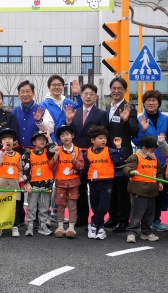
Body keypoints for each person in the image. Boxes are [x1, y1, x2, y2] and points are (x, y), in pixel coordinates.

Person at [63, 83, 108, 229]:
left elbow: (103, 134)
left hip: (95, 156)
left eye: (91, 94)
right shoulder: (74, 112)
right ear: (81, 96)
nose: (88, 96)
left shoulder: (101, 114)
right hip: (77, 156)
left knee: (95, 188)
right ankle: (82, 217)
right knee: (79, 187)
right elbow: (68, 132)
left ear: (96, 97)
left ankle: (97, 218)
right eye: (85, 94)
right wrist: (68, 120)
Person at [104, 77, 137, 233]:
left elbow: (134, 130)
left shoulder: (129, 107)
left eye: (119, 88)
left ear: (125, 90)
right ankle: (113, 217)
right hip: (107, 154)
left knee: (123, 188)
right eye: (113, 88)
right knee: (111, 187)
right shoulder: (107, 108)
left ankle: (124, 220)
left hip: (122, 154)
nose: (116, 91)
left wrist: (125, 120)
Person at [136, 90, 168, 233]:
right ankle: (143, 220)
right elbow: (136, 140)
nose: (151, 103)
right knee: (145, 190)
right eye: (148, 100)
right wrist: (143, 130)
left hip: (163, 161)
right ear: (144, 103)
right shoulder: (139, 119)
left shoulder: (166, 119)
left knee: (161, 191)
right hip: (145, 160)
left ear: (158, 103)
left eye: (154, 100)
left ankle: (156, 220)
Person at [85, 125, 125, 240]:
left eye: (105, 138)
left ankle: (93, 225)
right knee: (95, 205)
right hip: (93, 182)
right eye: (100, 138)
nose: (104, 140)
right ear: (92, 140)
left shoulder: (110, 151)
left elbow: (119, 160)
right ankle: (101, 227)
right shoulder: (88, 152)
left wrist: (119, 148)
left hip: (107, 182)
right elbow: (85, 167)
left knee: (104, 205)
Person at [123, 136, 163, 243]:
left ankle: (146, 232)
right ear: (144, 148)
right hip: (138, 190)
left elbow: (158, 173)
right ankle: (131, 232)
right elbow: (127, 167)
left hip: (152, 191)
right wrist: (131, 171)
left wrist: (159, 182)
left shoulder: (155, 159)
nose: (153, 152)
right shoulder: (135, 157)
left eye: (155, 149)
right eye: (151, 150)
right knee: (137, 213)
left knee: (149, 214)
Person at [49, 125, 83, 238]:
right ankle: (60, 227)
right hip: (60, 183)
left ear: (72, 136)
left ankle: (71, 228)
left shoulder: (78, 150)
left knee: (72, 206)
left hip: (73, 183)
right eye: (62, 135)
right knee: (60, 205)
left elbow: (81, 166)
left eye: (67, 134)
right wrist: (55, 156)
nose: (65, 137)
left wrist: (74, 161)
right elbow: (52, 166)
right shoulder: (57, 149)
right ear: (59, 139)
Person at [21, 131, 55, 237]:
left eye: (44, 139)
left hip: (46, 184)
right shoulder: (27, 154)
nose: (42, 141)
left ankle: (43, 225)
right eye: (39, 139)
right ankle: (30, 225)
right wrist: (27, 183)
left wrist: (49, 137)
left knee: (44, 206)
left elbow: (53, 148)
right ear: (34, 142)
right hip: (33, 184)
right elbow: (26, 170)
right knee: (31, 206)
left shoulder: (48, 152)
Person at [0, 128, 23, 237]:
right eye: (4, 139)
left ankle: (15, 226)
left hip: (14, 186)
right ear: (1, 143)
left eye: (9, 138)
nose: (7, 141)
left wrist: (22, 184)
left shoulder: (18, 155)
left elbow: (20, 171)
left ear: (14, 141)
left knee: (15, 207)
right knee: (0, 206)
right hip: (0, 186)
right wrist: (2, 151)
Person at [12, 80, 54, 151]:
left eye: (28, 91)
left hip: (37, 153)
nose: (25, 94)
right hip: (17, 154)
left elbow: (50, 129)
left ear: (33, 93)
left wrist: (40, 121)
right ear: (18, 94)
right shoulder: (14, 111)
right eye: (22, 92)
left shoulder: (41, 109)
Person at [39, 75, 80, 144]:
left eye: (59, 85)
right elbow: (43, 126)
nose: (57, 87)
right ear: (49, 87)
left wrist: (78, 94)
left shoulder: (67, 102)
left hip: (67, 143)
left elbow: (82, 110)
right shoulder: (44, 105)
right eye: (54, 85)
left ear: (63, 87)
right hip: (52, 143)